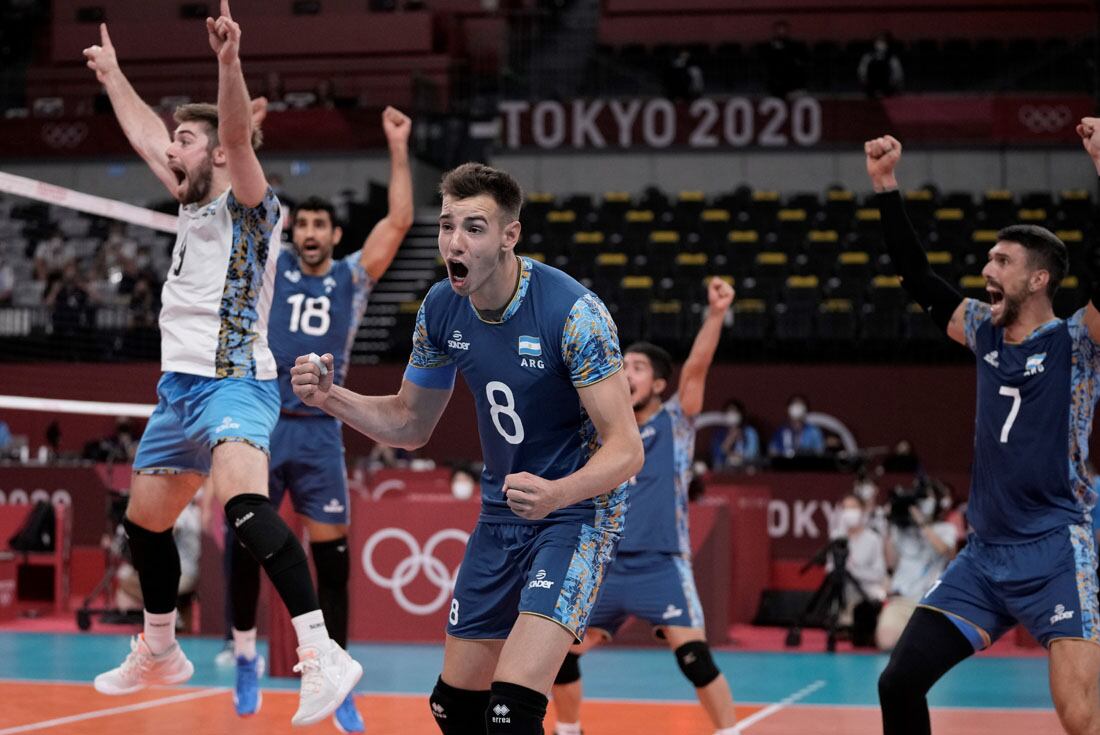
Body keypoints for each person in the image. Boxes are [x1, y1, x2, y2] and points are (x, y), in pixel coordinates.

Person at [291, 162, 644, 735]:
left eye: (474, 228)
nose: (455, 242)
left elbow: (627, 449)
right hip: (501, 513)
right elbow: (409, 423)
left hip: (576, 514)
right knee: (453, 708)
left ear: (510, 235)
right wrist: (332, 398)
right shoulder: (440, 308)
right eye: (448, 225)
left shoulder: (574, 314)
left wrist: (558, 493)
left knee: (510, 710)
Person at [82, 4, 361, 725]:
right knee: (144, 526)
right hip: (178, 391)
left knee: (244, 509)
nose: (168, 151)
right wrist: (115, 76)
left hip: (236, 379)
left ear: (212, 152)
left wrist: (229, 63)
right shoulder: (191, 197)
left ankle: (322, 651)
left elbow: (235, 135)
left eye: (183, 141)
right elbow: (149, 134)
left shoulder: (250, 203)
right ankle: (161, 646)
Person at [868, 129, 1100, 735]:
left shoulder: (1079, 343)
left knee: (1079, 717)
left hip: (1054, 549)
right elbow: (919, 279)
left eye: (1002, 262)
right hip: (984, 556)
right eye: (989, 259)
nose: (985, 269)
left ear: (1038, 280)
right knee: (898, 681)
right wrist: (887, 186)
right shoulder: (982, 329)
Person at [228, 105, 413, 731]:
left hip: (319, 431)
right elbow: (242, 199)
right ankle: (247, 655)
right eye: (300, 223)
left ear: (334, 236)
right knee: (246, 545)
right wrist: (247, 133)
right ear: (292, 231)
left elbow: (401, 220)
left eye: (319, 225)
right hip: (260, 422)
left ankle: (337, 677)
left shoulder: (353, 278)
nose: (309, 232)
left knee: (332, 565)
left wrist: (396, 145)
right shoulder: (270, 266)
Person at [550, 278, 739, 735]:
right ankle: (569, 729)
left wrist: (715, 314)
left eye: (637, 367)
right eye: (623, 365)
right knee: (557, 652)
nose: (627, 372)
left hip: (661, 564)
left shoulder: (675, 422)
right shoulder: (602, 430)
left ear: (656, 382)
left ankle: (730, 732)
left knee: (694, 658)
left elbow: (695, 369)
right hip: (606, 561)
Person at [877, 481, 958, 650]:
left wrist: (922, 524)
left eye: (926, 498)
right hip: (900, 601)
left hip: (930, 603)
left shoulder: (946, 529)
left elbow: (947, 552)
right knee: (885, 641)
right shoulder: (901, 530)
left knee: (935, 648)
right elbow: (891, 562)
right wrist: (891, 524)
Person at [709, 398, 760, 469]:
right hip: (724, 470)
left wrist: (738, 458)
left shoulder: (749, 432)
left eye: (735, 411)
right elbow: (717, 456)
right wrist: (730, 438)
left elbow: (752, 454)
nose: (732, 414)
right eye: (729, 411)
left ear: (741, 414)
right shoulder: (719, 434)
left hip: (746, 469)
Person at [858, 33, 904, 98]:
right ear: (874, 42)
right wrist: (865, 83)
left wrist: (895, 85)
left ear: (887, 43)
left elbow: (898, 74)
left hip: (888, 88)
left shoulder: (892, 58)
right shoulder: (868, 57)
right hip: (871, 87)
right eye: (878, 40)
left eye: (883, 41)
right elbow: (862, 72)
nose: (880, 43)